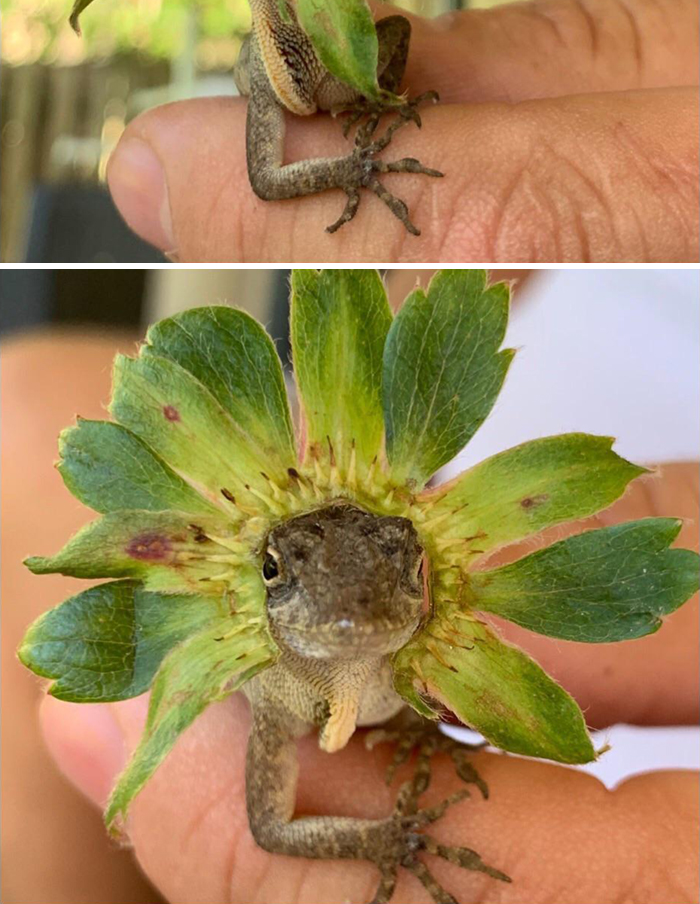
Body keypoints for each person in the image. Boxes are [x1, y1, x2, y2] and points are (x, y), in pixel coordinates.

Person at [3, 271, 698, 904]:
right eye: (278, 573)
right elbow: (270, 827)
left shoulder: (409, 623)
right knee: (24, 405)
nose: (345, 617)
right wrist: (381, 841)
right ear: (260, 579)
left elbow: (271, 828)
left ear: (423, 573)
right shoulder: (278, 690)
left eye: (402, 569)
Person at [104, 0, 699, 263]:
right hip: (285, 83)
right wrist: (355, 168)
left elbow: (396, 34)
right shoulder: (265, 81)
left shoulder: (334, 36)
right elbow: (266, 182)